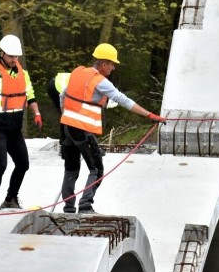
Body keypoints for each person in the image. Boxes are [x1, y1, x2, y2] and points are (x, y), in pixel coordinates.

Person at [59, 43, 165, 214]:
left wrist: (65, 115)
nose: (113, 68)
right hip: (82, 130)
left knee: (71, 169)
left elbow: (62, 94)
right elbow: (123, 99)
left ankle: (69, 208)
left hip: (68, 128)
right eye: (111, 64)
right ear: (103, 64)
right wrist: (149, 115)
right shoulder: (100, 81)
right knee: (96, 169)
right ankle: (85, 205)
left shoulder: (78, 73)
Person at [0, 34, 42, 211]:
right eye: (11, 56)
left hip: (14, 129)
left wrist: (36, 112)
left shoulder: (22, 73)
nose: (15, 60)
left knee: (23, 164)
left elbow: (30, 94)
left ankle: (11, 198)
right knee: (1, 165)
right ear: (2, 53)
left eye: (17, 56)